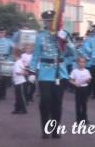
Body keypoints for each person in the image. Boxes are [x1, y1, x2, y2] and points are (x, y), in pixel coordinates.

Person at [29, 10, 75, 139]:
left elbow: (74, 53)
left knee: (57, 102)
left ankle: (55, 129)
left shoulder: (64, 34)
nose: (49, 23)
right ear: (44, 22)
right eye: (47, 21)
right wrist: (32, 71)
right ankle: (45, 128)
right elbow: (36, 55)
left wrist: (65, 40)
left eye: (52, 21)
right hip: (45, 73)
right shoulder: (40, 36)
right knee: (45, 101)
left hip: (60, 73)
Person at [69, 57, 92, 124]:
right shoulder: (75, 71)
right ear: (77, 63)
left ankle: (84, 118)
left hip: (85, 88)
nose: (82, 64)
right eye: (80, 62)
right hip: (78, 88)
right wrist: (75, 84)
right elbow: (70, 80)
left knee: (84, 104)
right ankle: (78, 119)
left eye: (83, 62)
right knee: (78, 104)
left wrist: (87, 81)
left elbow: (89, 80)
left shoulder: (87, 71)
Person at [12, 49, 28, 114]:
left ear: (15, 55)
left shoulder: (17, 62)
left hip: (20, 82)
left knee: (20, 96)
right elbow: (24, 69)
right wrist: (24, 72)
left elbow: (18, 72)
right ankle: (17, 109)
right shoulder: (20, 62)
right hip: (18, 82)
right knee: (18, 96)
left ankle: (24, 109)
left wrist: (23, 73)